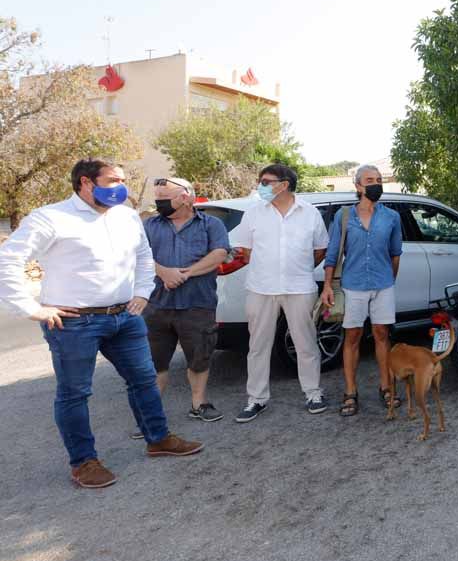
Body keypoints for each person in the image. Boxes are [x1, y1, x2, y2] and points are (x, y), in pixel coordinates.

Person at [0, 159, 203, 489]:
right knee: (75, 393)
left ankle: (158, 439)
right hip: (74, 323)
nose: (121, 187)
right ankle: (84, 463)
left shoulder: (125, 216)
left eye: (123, 180)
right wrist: (30, 308)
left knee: (144, 379)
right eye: (112, 180)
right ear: (85, 182)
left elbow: (141, 256)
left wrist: (141, 292)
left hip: (125, 317)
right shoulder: (51, 217)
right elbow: (8, 259)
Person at [229, 163, 330, 421]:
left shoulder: (310, 213)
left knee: (305, 343)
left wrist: (299, 268)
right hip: (261, 288)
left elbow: (320, 250)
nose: (260, 185)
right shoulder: (253, 213)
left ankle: (313, 393)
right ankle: (257, 399)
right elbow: (245, 250)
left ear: (283, 184)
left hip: (299, 288)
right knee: (258, 346)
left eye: (266, 181)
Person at [142, 176, 231, 424]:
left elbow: (220, 253)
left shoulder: (211, 224)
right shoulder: (150, 225)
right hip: (156, 306)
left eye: (164, 199)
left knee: (199, 357)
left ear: (185, 197)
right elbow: (137, 256)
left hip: (197, 304)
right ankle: (151, 416)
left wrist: (186, 273)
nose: (159, 204)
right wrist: (163, 272)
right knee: (154, 362)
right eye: (157, 199)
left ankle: (199, 404)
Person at [321, 164, 404, 417]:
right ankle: (350, 392)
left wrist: (389, 279)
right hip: (353, 284)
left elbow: (395, 254)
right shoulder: (344, 216)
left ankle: (386, 387)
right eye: (370, 179)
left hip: (382, 285)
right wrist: (326, 285)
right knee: (353, 338)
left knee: (381, 335)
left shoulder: (391, 217)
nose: (376, 183)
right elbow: (333, 253)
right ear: (358, 186)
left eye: (379, 179)